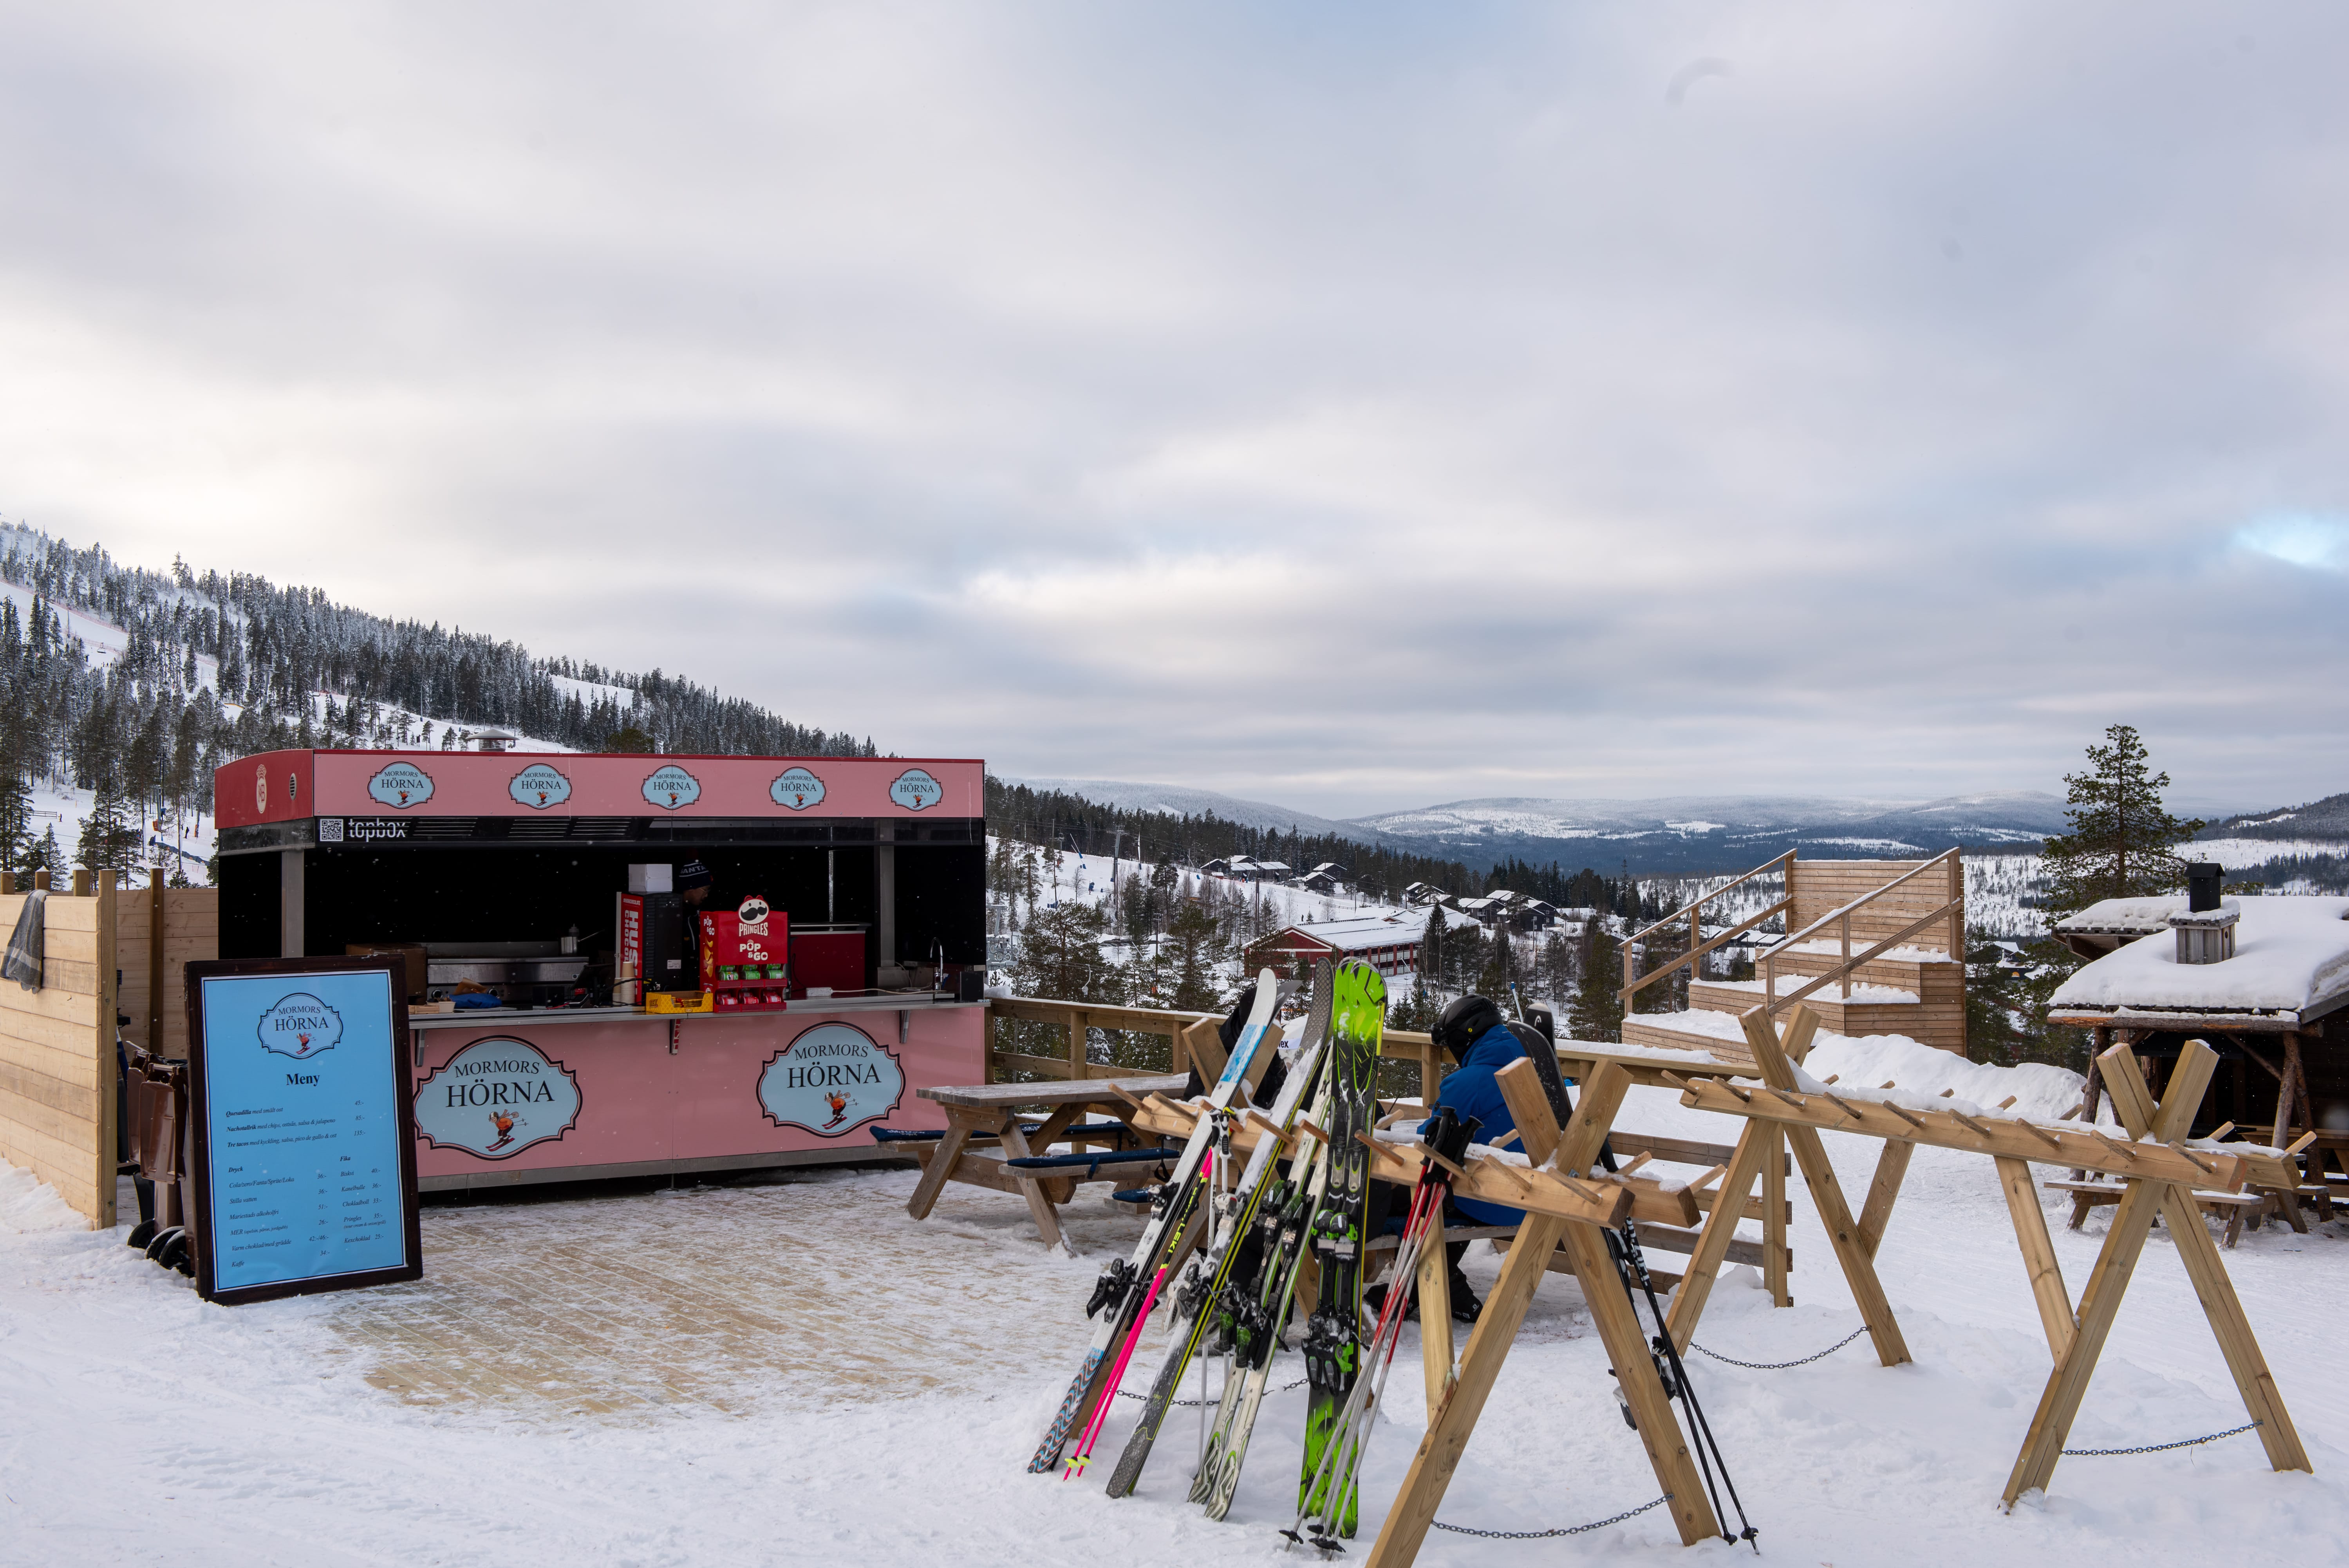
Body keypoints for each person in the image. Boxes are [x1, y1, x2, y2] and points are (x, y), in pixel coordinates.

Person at [1368, 992, 1523, 1323]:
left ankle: (1434, 1286)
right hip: (1532, 1197)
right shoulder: (1534, 1068)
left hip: (1488, 1200)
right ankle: (1437, 1287)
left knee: (1395, 1193)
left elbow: (1428, 1142)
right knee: (1446, 1186)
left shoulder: (1470, 1081)